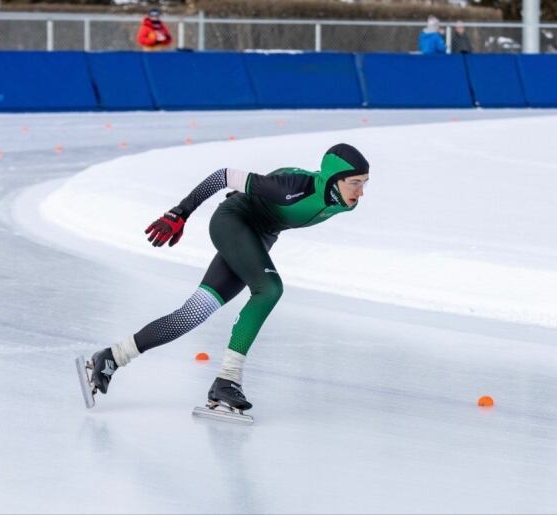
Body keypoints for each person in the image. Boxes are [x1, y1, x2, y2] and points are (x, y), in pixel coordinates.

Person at [85, 144, 370, 413]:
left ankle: (112, 356)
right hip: (233, 221)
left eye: (364, 183)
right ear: (334, 178)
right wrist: (179, 212)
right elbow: (223, 176)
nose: (360, 192)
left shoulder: (343, 201)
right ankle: (227, 380)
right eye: (354, 182)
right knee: (269, 289)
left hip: (257, 237)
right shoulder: (293, 188)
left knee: (192, 313)